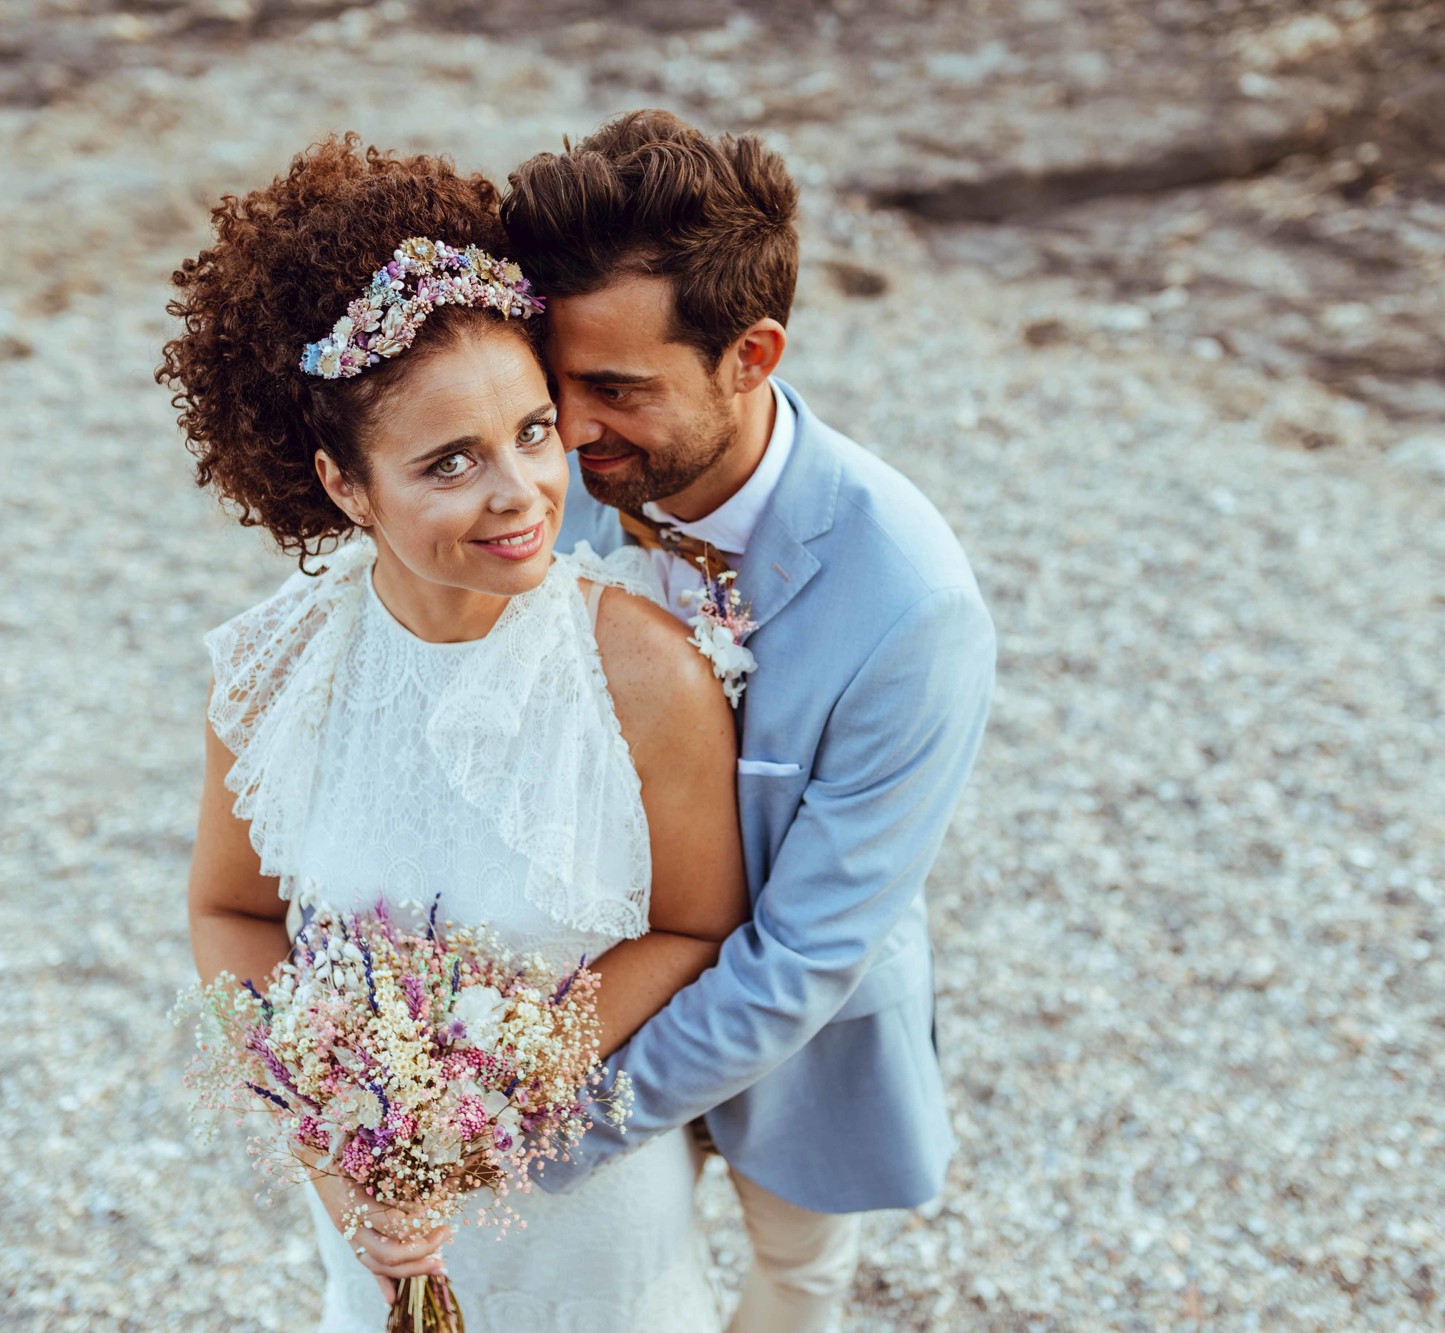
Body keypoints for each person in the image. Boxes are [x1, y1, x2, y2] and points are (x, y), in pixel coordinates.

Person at [162, 135, 747, 1332]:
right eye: (449, 463)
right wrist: (333, 1136)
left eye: (534, 432)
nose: (522, 494)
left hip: (586, 1212)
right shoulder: (271, 672)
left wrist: (476, 1095)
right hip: (369, 1224)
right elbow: (229, 913)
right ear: (342, 484)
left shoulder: (644, 673)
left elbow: (699, 922)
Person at [503, 110, 996, 1333]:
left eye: (615, 388)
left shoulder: (911, 602)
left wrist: (549, 1132)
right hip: (580, 993)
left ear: (751, 353)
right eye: (552, 383)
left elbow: (807, 956)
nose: (564, 433)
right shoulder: (551, 490)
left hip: (800, 1039)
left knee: (795, 1280)